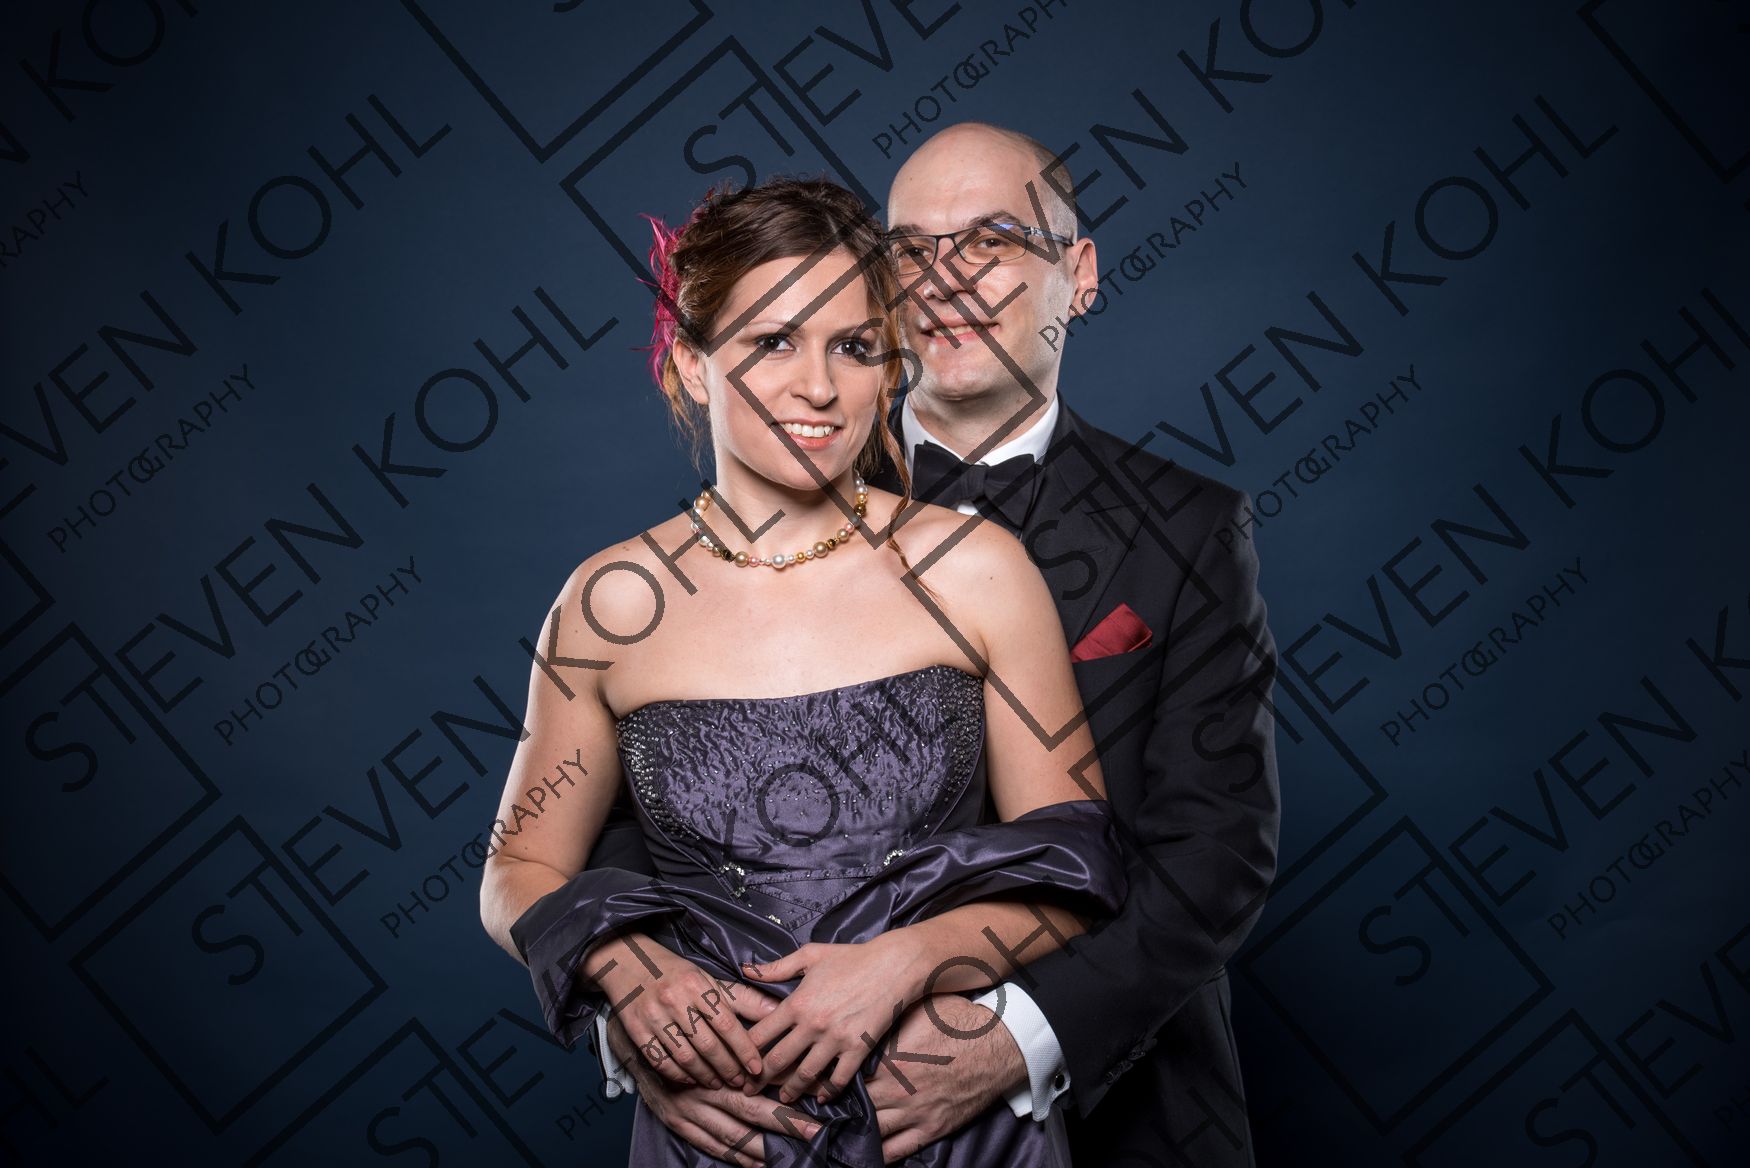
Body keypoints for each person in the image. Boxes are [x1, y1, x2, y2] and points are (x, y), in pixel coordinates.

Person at [593, 124, 1283, 1166]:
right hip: (781, 1110)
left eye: (993, 240)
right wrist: (645, 1013)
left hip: (1128, 1113)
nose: (945, 279)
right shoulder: (763, 491)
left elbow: (1216, 848)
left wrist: (1018, 1034)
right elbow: (633, 813)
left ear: (1079, 274)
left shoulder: (1189, 529)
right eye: (910, 249)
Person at [478, 175, 1128, 1167]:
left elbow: (1076, 868)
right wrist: (628, 970)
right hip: (723, 1126)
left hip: (948, 1120)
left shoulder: (977, 570)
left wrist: (908, 962)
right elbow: (517, 868)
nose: (819, 388)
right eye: (773, 342)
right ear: (693, 366)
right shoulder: (609, 602)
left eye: (855, 347)